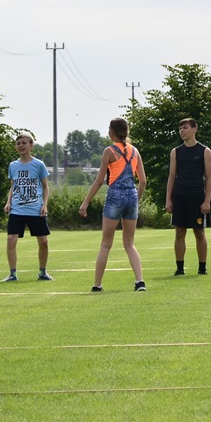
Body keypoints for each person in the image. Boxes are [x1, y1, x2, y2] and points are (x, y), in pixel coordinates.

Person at [79, 117, 147, 292]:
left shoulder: (109, 151)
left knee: (106, 243)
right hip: (131, 196)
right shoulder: (135, 151)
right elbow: (143, 182)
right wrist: (136, 201)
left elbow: (99, 180)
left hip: (115, 196)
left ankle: (97, 284)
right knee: (129, 243)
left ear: (112, 132)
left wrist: (86, 202)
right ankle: (140, 281)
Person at [165, 118, 211, 276]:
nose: (182, 131)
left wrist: (207, 201)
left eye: (185, 128)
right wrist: (168, 199)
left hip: (197, 196)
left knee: (199, 232)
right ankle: (179, 268)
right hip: (179, 196)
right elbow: (172, 176)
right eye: (180, 129)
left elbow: (209, 177)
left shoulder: (204, 151)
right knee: (179, 231)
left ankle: (202, 268)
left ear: (194, 129)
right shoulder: (176, 152)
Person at [2, 133, 52, 282]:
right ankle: (12, 274)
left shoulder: (39, 165)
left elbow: (45, 187)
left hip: (36, 209)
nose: (21, 146)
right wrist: (8, 202)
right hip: (17, 209)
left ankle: (42, 272)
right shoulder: (13, 165)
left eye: (24, 143)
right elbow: (13, 186)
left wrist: (45, 205)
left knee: (43, 241)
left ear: (31, 145)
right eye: (18, 143)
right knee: (11, 239)